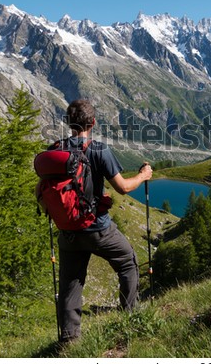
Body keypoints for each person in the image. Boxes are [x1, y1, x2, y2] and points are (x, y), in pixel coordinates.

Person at [53, 99, 152, 343]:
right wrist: (143, 175)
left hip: (68, 232)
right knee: (128, 263)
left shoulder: (56, 150)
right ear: (93, 122)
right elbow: (123, 188)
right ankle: (130, 317)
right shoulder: (98, 149)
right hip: (98, 229)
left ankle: (68, 341)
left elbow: (42, 190)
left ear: (68, 123)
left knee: (70, 284)